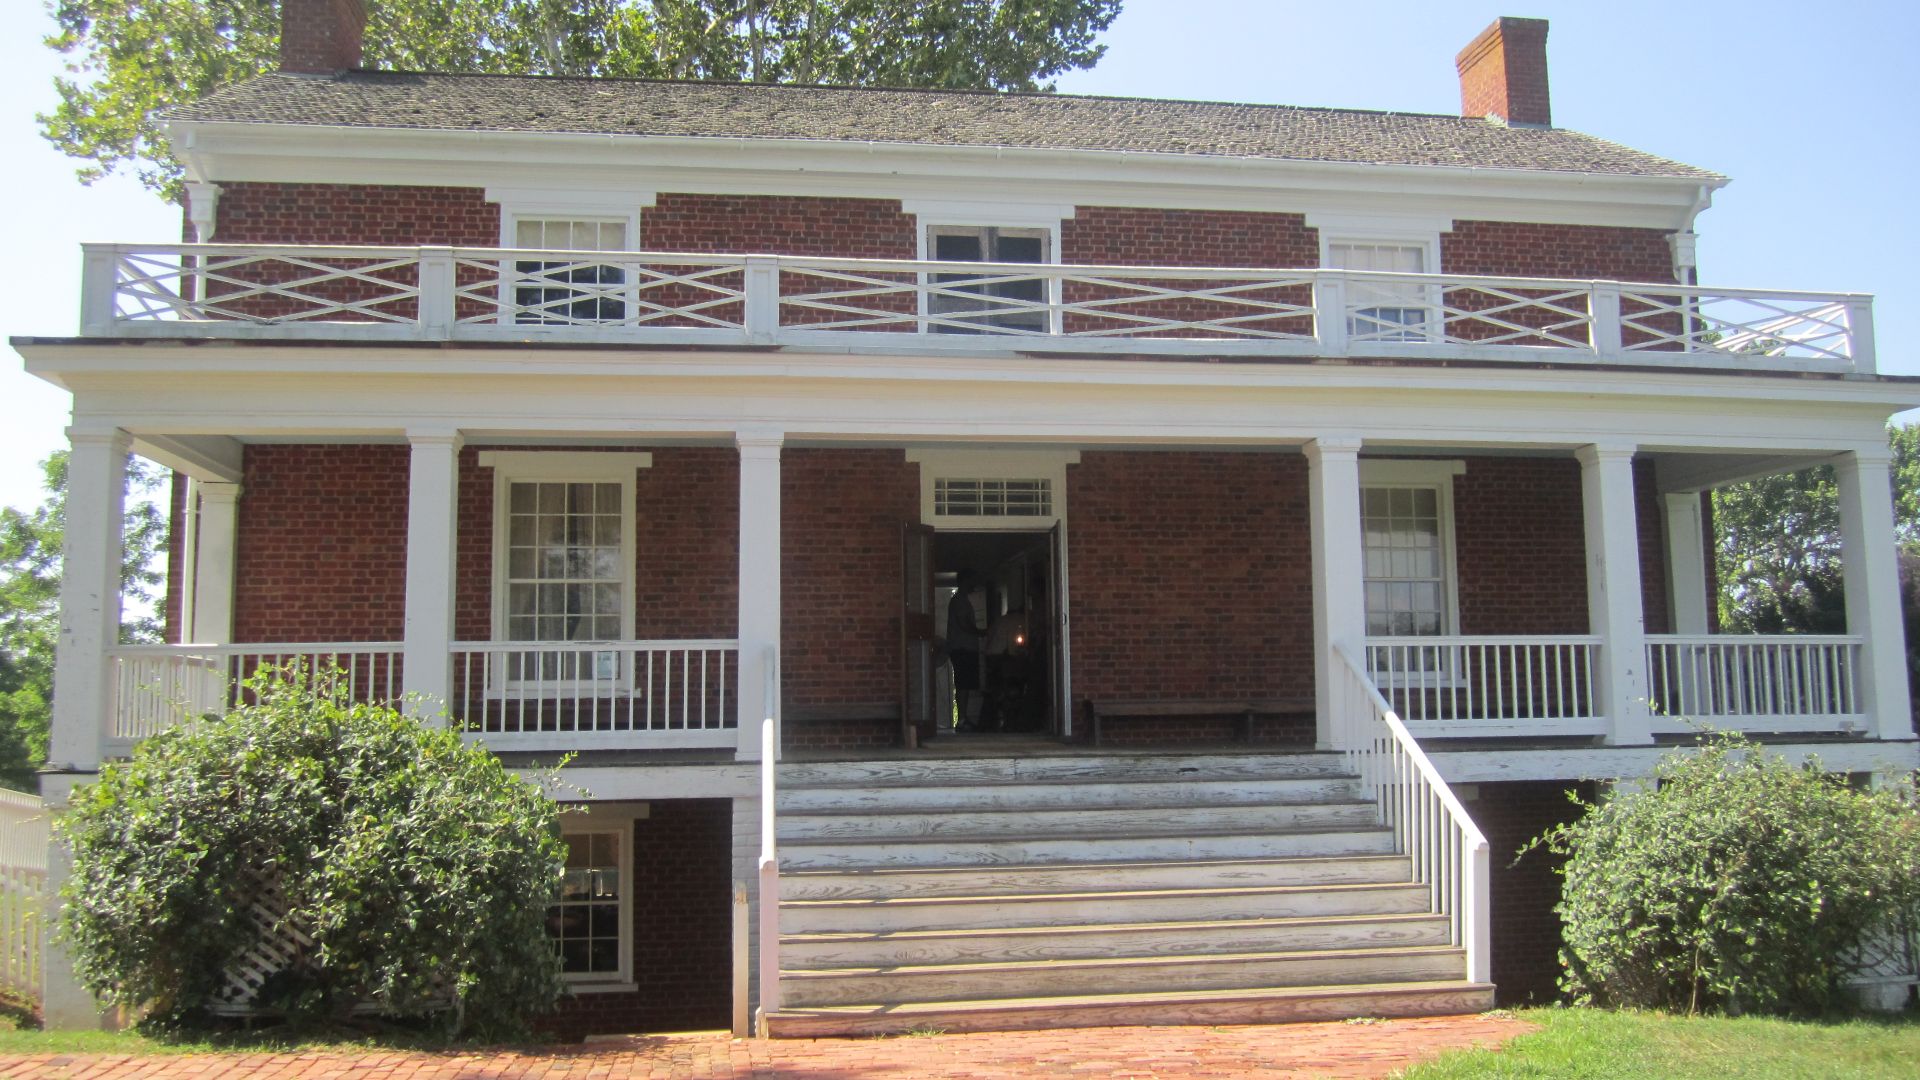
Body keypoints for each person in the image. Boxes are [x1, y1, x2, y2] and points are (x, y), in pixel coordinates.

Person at [946, 572, 983, 731]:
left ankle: (963, 717)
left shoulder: (962, 600)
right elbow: (964, 624)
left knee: (965, 684)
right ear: (964, 581)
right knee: (963, 684)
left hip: (963, 647)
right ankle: (962, 719)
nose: (973, 584)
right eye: (971, 580)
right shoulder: (960, 601)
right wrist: (980, 632)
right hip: (962, 648)